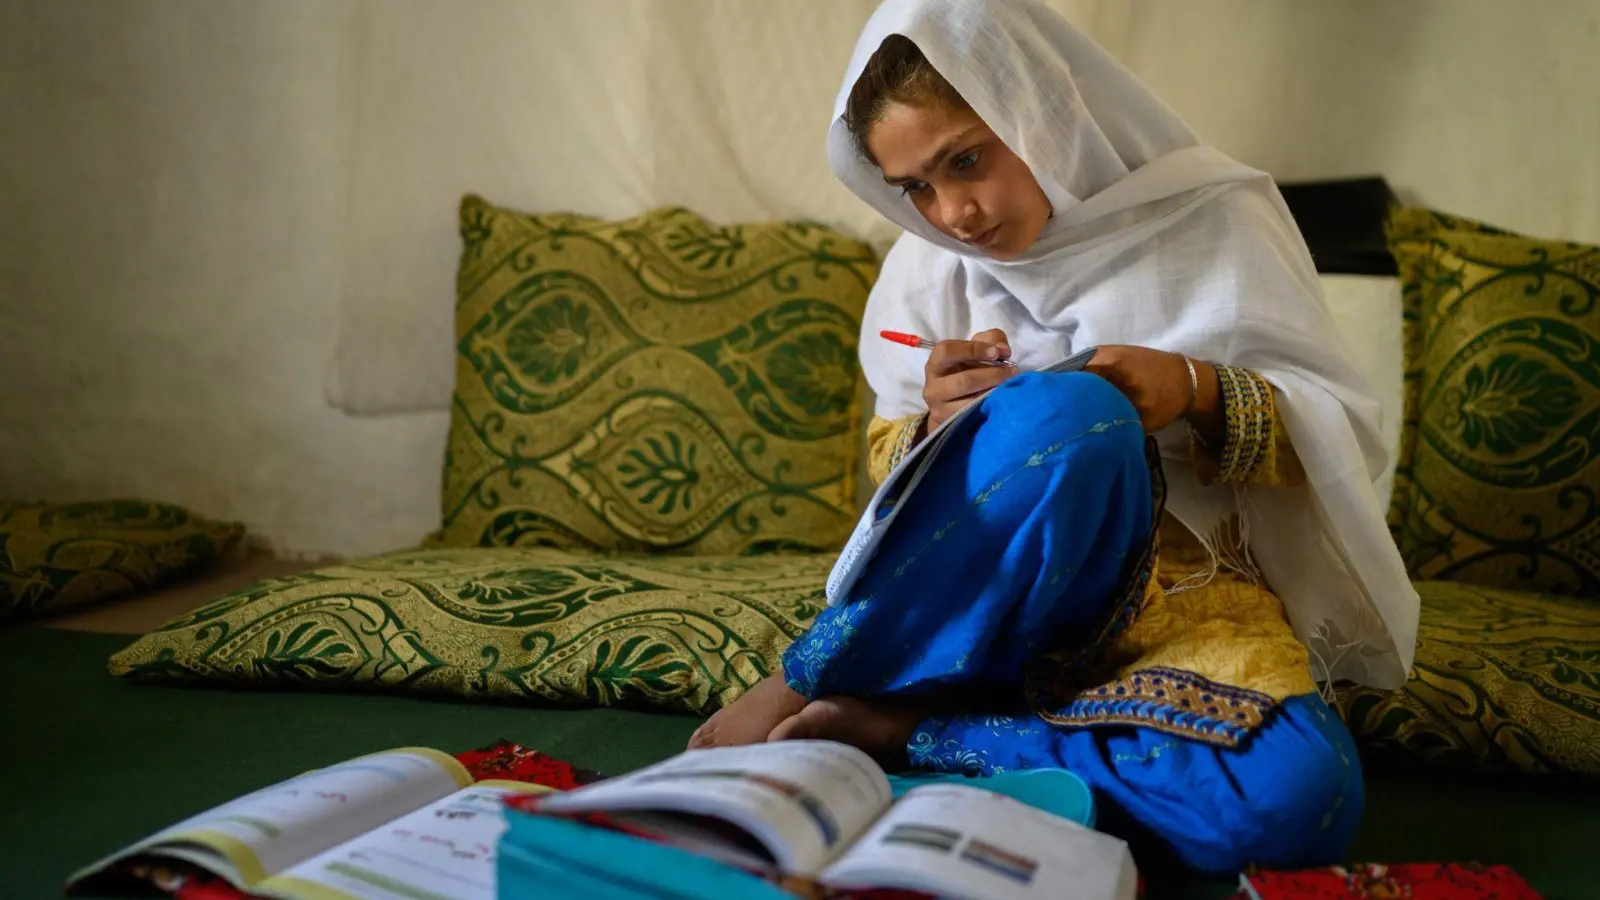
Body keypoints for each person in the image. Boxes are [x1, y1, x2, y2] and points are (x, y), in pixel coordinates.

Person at [689, 0, 1418, 875]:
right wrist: (938, 429)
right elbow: (890, 478)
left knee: (1301, 799)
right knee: (1069, 417)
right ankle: (816, 674)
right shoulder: (927, 268)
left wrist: (1192, 389)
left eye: (966, 160)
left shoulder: (1215, 216)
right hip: (991, 607)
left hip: (1184, 599)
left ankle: (914, 732)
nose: (953, 212)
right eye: (916, 187)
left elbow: (1340, 441)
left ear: (1038, 110)